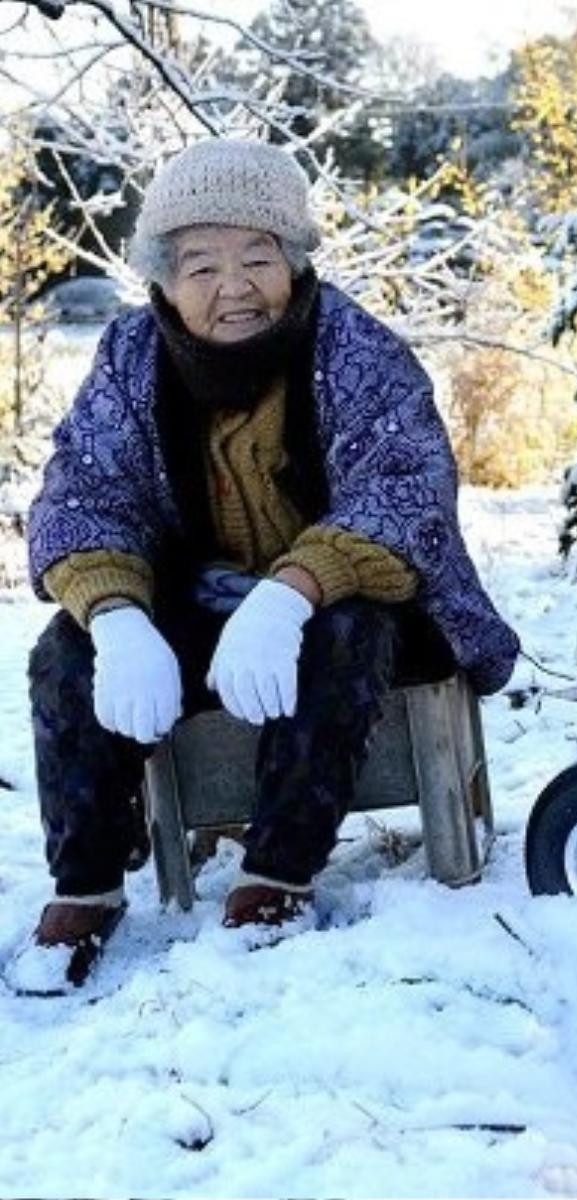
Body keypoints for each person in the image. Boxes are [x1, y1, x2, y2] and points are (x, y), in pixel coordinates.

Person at [13, 138, 519, 991]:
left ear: (294, 262)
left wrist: (292, 591)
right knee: (64, 650)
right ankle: (87, 887)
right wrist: (116, 616)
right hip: (197, 600)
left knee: (347, 631)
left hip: (347, 602)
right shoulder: (130, 359)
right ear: (165, 279)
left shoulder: (358, 350)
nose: (234, 286)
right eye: (203, 265)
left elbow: (407, 489)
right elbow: (82, 491)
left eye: (258, 257)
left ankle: (276, 876)